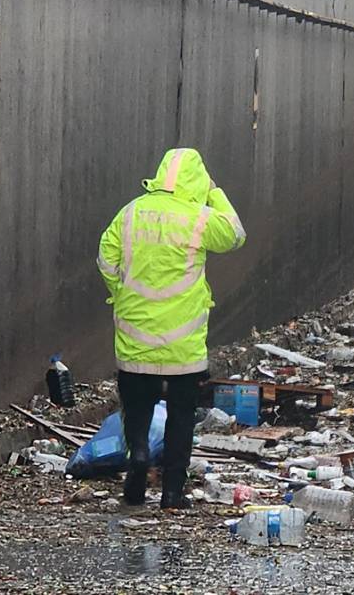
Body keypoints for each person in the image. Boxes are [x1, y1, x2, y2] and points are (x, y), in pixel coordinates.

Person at [97, 148, 246, 509]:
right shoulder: (198, 218)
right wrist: (214, 191)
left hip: (135, 341)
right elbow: (236, 234)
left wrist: (123, 294)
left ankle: (138, 460)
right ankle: (173, 493)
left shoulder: (130, 213)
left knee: (137, 408)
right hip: (183, 347)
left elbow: (106, 258)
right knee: (181, 417)